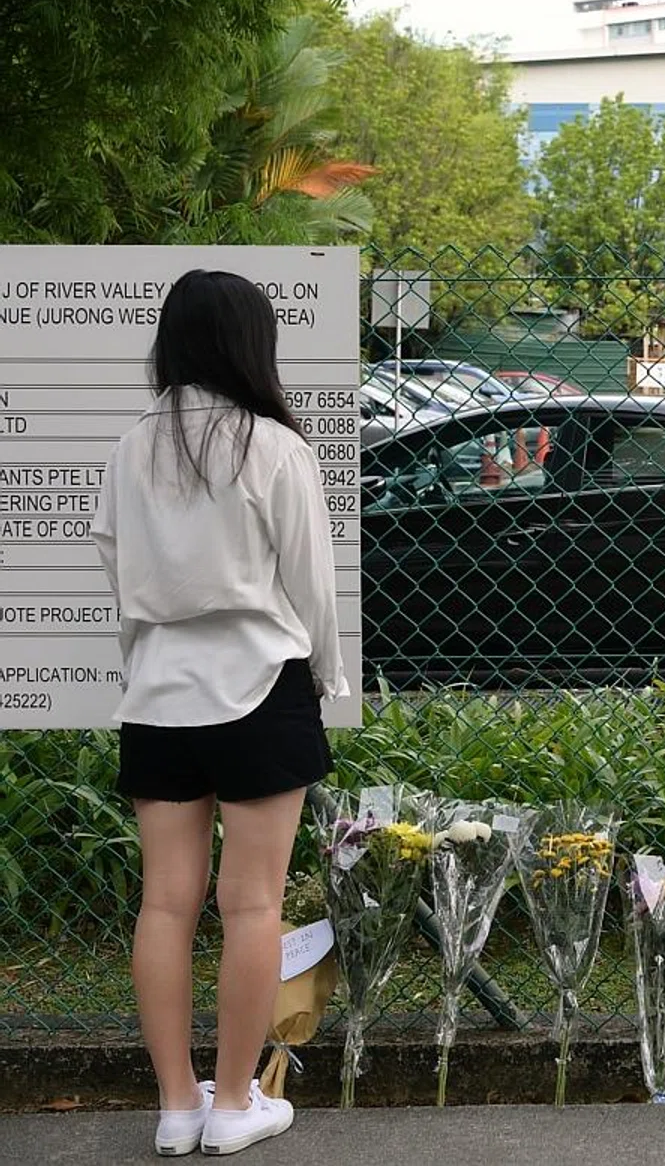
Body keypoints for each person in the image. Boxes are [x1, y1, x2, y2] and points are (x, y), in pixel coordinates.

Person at [92, 269, 349, 1157]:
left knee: (164, 904)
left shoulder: (130, 446)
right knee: (253, 904)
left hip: (157, 690)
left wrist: (145, 661)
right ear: (251, 343)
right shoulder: (273, 446)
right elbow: (313, 585)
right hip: (259, 685)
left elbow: (116, 575)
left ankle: (176, 1106)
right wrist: (330, 680)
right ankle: (234, 1102)